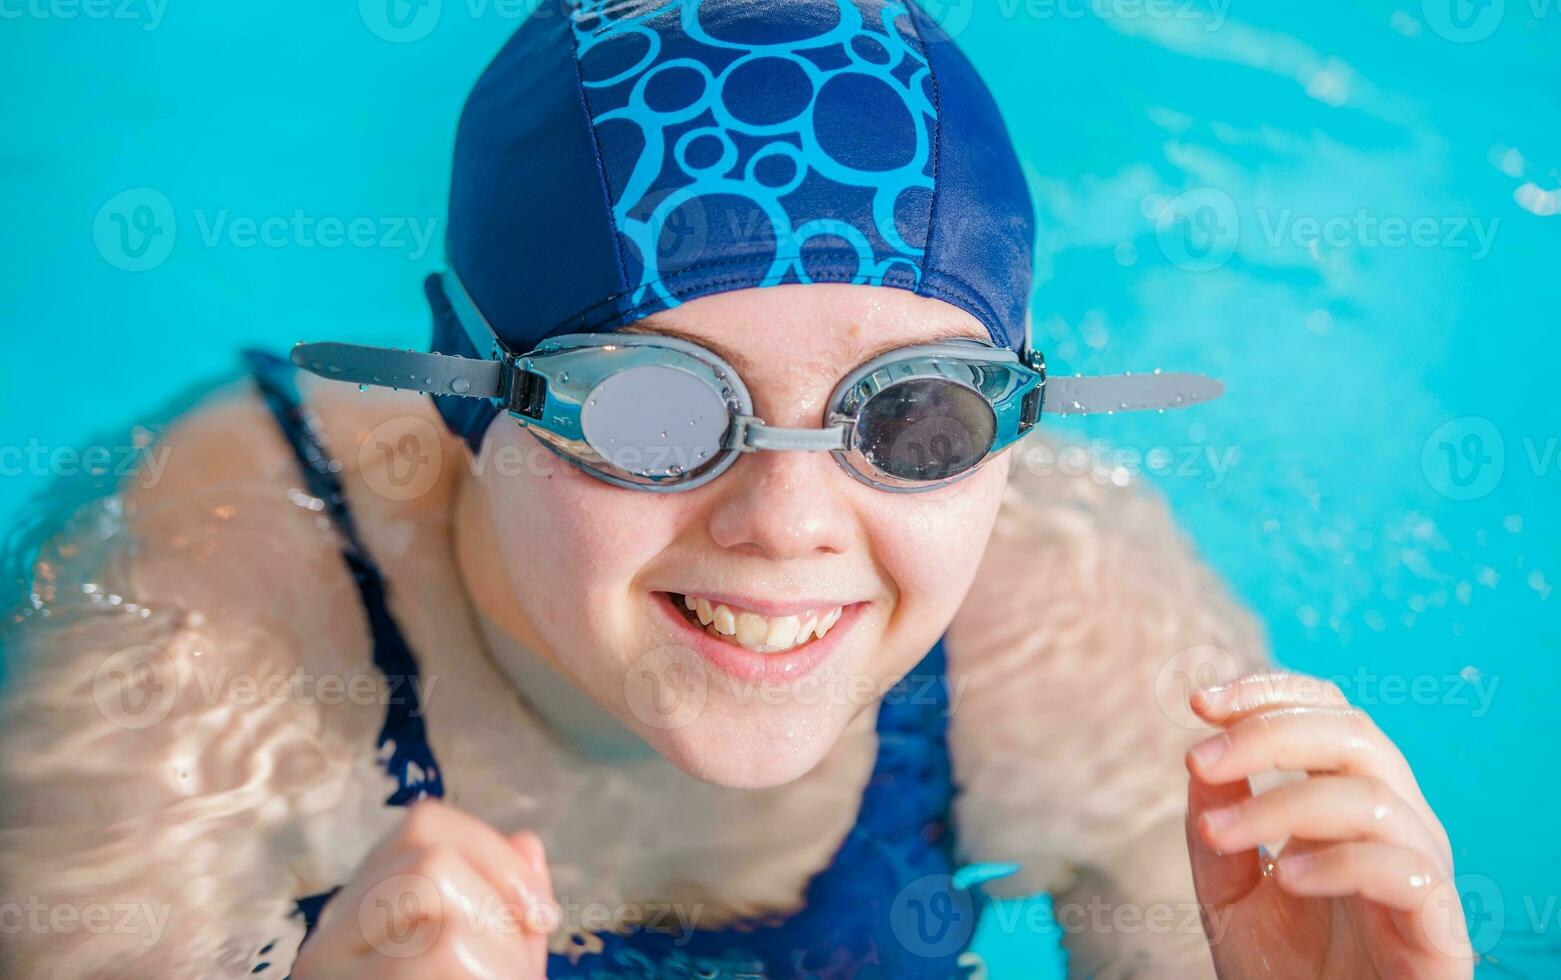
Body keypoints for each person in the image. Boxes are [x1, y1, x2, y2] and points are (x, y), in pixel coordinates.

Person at [0, 1, 1471, 977]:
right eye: (651, 409)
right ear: (467, 391)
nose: (788, 525)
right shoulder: (195, 662)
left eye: (914, 414)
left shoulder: (1075, 640)